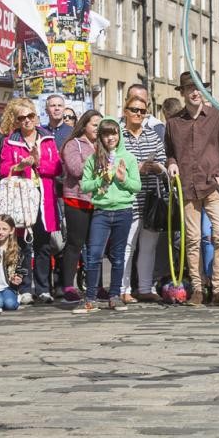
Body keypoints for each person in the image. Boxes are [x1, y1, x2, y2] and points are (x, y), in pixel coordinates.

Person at [165, 71, 219, 307]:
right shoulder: (174, 123)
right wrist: (172, 164)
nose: (195, 92)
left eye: (198, 87)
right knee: (193, 239)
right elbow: (170, 153)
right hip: (187, 186)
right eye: (190, 88)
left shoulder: (218, 118)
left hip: (213, 186)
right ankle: (198, 288)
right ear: (183, 92)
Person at [0, 98, 61, 300]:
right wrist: (20, 166)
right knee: (23, 245)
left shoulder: (48, 139)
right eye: (21, 117)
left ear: (36, 117)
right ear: (16, 121)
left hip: (44, 197)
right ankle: (25, 288)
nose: (26, 120)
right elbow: (2, 169)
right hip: (22, 199)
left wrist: (39, 162)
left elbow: (57, 168)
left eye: (30, 116)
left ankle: (43, 288)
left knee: (43, 244)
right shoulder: (10, 141)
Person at [77, 118, 140, 315]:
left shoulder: (128, 158)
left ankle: (114, 295)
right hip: (101, 212)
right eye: (106, 134)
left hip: (123, 210)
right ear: (100, 137)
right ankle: (90, 298)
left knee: (118, 256)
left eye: (113, 133)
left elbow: (136, 186)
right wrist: (100, 179)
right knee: (94, 255)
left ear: (119, 134)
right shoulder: (94, 159)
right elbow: (84, 186)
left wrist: (123, 179)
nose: (110, 137)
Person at [120, 93, 167, 304]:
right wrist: (136, 169)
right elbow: (114, 164)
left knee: (149, 245)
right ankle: (123, 288)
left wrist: (157, 167)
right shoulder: (119, 136)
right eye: (134, 110)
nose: (138, 114)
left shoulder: (152, 135)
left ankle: (145, 287)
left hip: (150, 198)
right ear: (125, 112)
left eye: (142, 111)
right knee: (127, 245)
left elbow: (163, 160)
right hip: (128, 197)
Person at [56, 110, 100, 300]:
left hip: (98, 200)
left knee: (95, 246)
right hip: (77, 198)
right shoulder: (73, 144)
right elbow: (75, 169)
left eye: (100, 125)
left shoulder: (102, 145)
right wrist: (99, 163)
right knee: (75, 243)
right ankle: (67, 286)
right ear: (84, 126)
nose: (98, 129)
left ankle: (94, 286)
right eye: (94, 125)